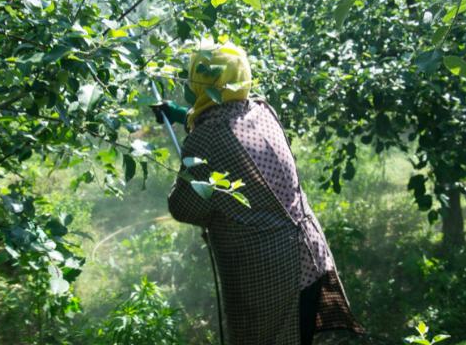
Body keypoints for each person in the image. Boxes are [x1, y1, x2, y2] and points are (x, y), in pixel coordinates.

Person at [153, 42, 364, 345]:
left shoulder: (206, 139)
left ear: (204, 84)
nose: (187, 85)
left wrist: (191, 160)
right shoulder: (260, 109)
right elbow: (228, 129)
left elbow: (184, 208)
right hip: (309, 255)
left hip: (267, 276)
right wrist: (183, 116)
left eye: (192, 79)